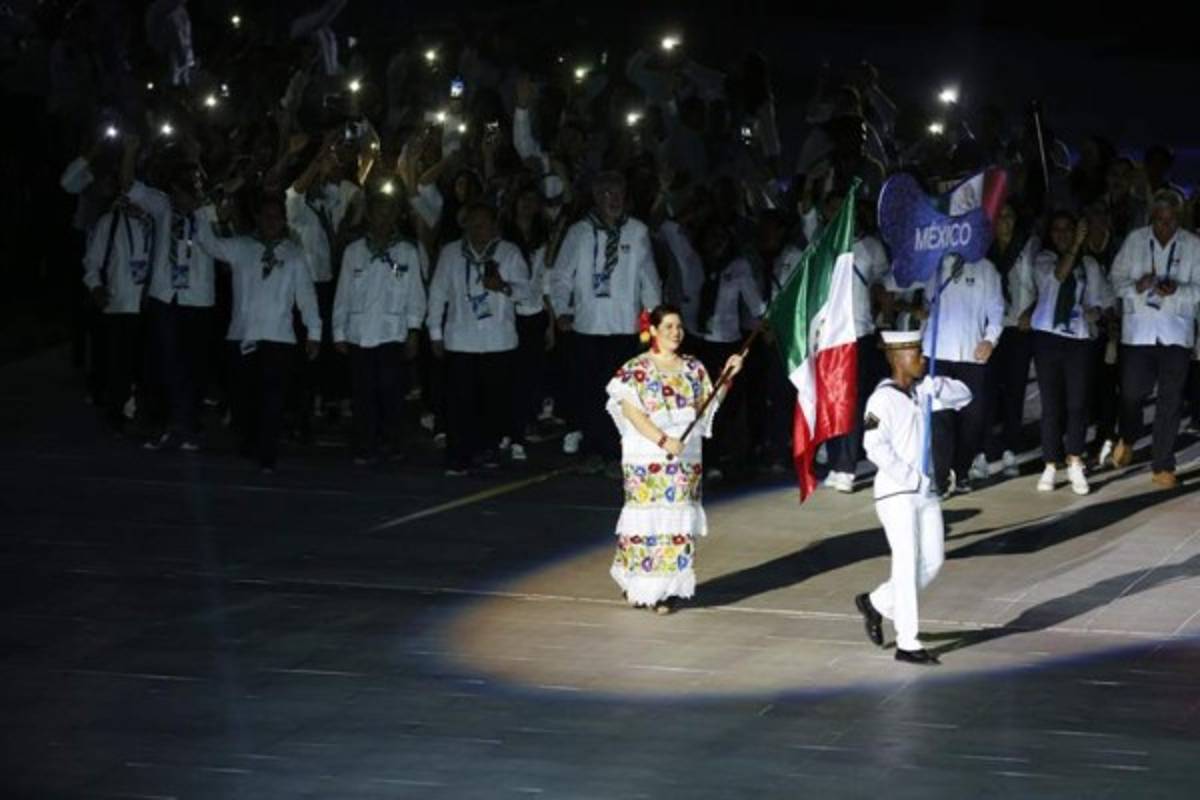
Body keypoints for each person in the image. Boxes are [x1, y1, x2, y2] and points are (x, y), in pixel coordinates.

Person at [605, 305, 743, 614]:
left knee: (676, 519)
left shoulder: (693, 367)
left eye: (678, 326)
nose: (675, 332)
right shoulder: (636, 369)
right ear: (653, 330)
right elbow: (632, 412)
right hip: (648, 455)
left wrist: (727, 377)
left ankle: (666, 591)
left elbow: (707, 405)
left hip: (684, 457)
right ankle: (638, 584)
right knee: (646, 521)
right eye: (667, 326)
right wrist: (663, 439)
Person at [854, 330, 972, 666]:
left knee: (933, 561)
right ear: (896, 358)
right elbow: (874, 447)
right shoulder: (881, 400)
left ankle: (877, 603)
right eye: (916, 353)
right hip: (897, 492)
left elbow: (966, 396)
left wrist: (939, 387)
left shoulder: (923, 391)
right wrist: (910, 477)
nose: (922, 358)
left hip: (925, 492)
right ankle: (907, 642)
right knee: (906, 564)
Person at [196, 192, 322, 473]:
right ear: (258, 219)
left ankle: (268, 452)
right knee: (244, 396)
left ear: (284, 220)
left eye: (277, 217)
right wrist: (205, 213)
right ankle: (249, 440)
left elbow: (306, 296)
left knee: (273, 398)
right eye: (267, 216)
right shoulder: (242, 247)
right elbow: (208, 244)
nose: (271, 221)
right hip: (243, 335)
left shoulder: (294, 254)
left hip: (279, 338)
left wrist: (314, 332)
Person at [550, 171, 662, 470]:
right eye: (607, 194)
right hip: (588, 325)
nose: (614, 200)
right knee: (589, 391)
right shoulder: (580, 232)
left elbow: (648, 277)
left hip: (624, 326)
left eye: (618, 193)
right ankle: (593, 450)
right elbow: (561, 275)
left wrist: (655, 318)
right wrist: (561, 309)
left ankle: (616, 453)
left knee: (622, 394)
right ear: (596, 197)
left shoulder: (636, 231)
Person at [426, 202, 529, 476]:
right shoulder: (451, 253)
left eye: (483, 224)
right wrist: (434, 332)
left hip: (498, 340)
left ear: (494, 226)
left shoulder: (508, 253)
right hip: (461, 340)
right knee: (459, 402)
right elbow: (437, 293)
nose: (478, 229)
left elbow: (527, 293)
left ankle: (488, 448)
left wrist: (504, 286)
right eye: (473, 224)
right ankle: (458, 456)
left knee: (493, 401)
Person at [1109, 189, 1200, 488]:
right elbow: (1115, 279)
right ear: (1152, 217)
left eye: (1171, 220)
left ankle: (1162, 464)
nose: (1165, 226)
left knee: (1170, 401)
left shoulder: (1193, 245)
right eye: (1160, 220)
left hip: (1176, 333)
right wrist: (1137, 286)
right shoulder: (1136, 240)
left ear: (1179, 218)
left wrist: (1178, 291)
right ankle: (1128, 437)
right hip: (1139, 333)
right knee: (1132, 394)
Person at [332, 186, 427, 464]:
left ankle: (392, 441)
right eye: (378, 213)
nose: (383, 219)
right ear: (369, 216)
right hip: (360, 333)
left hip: (392, 333)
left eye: (389, 213)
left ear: (396, 216)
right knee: (363, 393)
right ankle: (365, 443)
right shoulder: (354, 251)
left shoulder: (407, 251)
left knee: (391, 391)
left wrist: (413, 331)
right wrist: (338, 331)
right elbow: (343, 293)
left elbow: (416, 295)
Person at [1029, 212, 1114, 494]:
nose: (1063, 234)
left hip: (1078, 339)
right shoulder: (1044, 259)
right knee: (1051, 405)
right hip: (1048, 337)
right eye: (1058, 229)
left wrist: (1096, 312)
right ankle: (1051, 464)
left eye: (1069, 229)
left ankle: (1075, 460)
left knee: (1077, 403)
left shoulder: (1089, 265)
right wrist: (1076, 245)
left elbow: (1100, 300)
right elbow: (1058, 277)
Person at [923, 252, 1004, 495]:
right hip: (938, 352)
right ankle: (941, 477)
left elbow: (996, 309)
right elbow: (926, 299)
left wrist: (990, 339)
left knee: (972, 420)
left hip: (972, 354)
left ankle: (961, 470)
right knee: (940, 419)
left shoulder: (986, 268)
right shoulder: (935, 264)